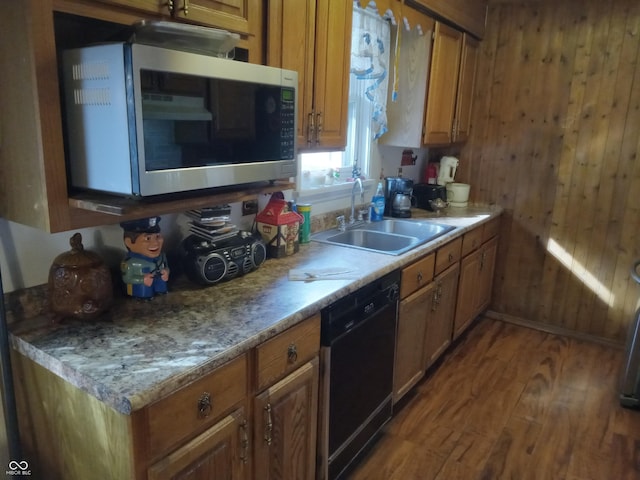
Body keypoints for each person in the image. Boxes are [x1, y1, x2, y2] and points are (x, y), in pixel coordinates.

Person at [120, 216, 170, 299]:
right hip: (141, 289)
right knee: (144, 292)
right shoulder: (130, 263)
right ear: (129, 243)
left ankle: (160, 291)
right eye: (148, 238)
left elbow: (166, 266)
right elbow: (127, 279)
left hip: (159, 285)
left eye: (157, 236)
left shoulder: (162, 256)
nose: (155, 243)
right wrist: (142, 279)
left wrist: (166, 272)